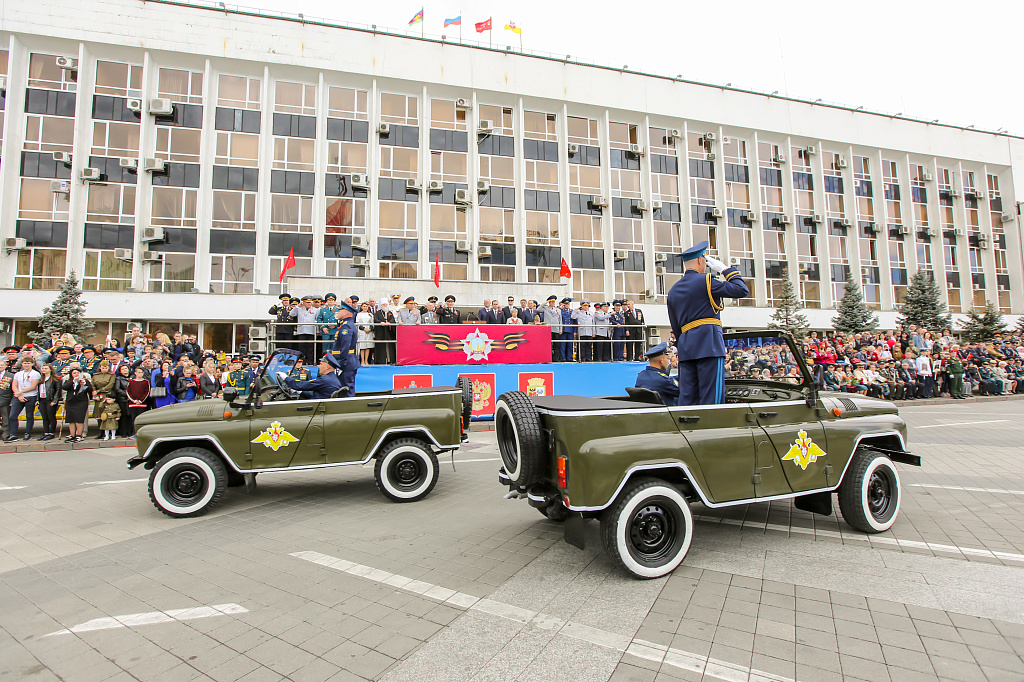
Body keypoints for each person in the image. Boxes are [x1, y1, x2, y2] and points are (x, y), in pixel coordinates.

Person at [667, 241, 750, 405]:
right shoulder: (706, 280)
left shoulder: (674, 290)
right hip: (709, 344)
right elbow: (741, 290)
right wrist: (726, 270)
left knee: (688, 397)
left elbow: (676, 326)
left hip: (686, 347)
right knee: (712, 396)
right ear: (701, 260)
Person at [7, 358, 42, 442]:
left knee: (29, 416)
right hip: (19, 397)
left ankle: (28, 433)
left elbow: (33, 386)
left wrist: (20, 392)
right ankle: (14, 434)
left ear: (32, 364)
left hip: (30, 396)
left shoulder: (35, 374)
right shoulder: (18, 374)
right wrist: (18, 395)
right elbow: (14, 385)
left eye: (28, 363)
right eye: (25, 363)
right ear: (22, 364)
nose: (26, 365)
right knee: (12, 416)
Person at [330, 299, 361, 395]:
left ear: (345, 312)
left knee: (347, 387)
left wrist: (341, 363)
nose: (337, 312)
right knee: (342, 387)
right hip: (346, 360)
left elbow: (345, 346)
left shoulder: (346, 327)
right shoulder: (344, 325)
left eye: (339, 310)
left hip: (346, 361)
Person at [62, 366, 93, 443]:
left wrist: (84, 383)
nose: (76, 374)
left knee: (79, 419)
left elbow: (90, 389)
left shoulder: (84, 381)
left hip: (81, 402)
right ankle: (72, 435)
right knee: (71, 419)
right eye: (74, 373)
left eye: (77, 373)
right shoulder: (68, 381)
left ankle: (79, 435)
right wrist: (73, 382)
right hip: (70, 402)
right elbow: (64, 387)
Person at [90, 360, 117, 438]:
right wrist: (95, 395)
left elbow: (110, 386)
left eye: (106, 367)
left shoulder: (112, 375)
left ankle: (109, 432)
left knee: (108, 414)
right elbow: (93, 385)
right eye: (103, 367)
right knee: (99, 414)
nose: (104, 369)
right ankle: (100, 432)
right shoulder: (95, 375)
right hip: (98, 397)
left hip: (107, 396)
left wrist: (98, 391)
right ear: (100, 368)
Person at [290, 296, 319, 364]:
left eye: (310, 302)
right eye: (307, 302)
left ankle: (310, 361)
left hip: (311, 330)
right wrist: (297, 307)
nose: (309, 304)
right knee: (302, 347)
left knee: (310, 348)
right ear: (303, 303)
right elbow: (291, 314)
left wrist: (317, 331)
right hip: (301, 330)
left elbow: (317, 320)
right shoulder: (299, 309)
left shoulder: (315, 310)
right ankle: (302, 361)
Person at [36, 363, 62, 441]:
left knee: (51, 416)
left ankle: (51, 433)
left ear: (50, 370)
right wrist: (37, 400)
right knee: (44, 417)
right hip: (42, 399)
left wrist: (55, 400)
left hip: (50, 400)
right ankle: (46, 432)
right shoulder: (41, 379)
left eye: (46, 368)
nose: (44, 370)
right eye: (43, 368)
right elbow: (38, 390)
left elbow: (58, 391)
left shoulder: (55, 379)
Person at [126, 366, 150, 438]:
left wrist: (141, 400)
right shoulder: (131, 382)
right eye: (139, 372)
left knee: (141, 419)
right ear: (135, 373)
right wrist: (134, 400)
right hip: (133, 404)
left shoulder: (146, 382)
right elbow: (128, 392)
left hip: (142, 404)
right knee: (134, 419)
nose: (140, 374)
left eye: (141, 372)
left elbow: (147, 392)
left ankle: (141, 434)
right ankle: (134, 433)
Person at [373, 298, 397, 365]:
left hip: (389, 332)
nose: (385, 306)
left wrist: (389, 322)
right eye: (383, 304)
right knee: (381, 347)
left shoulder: (389, 312)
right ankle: (381, 360)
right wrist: (381, 323)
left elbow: (393, 319)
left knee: (390, 346)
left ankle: (391, 360)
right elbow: (375, 319)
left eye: (386, 304)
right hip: (381, 332)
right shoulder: (377, 313)